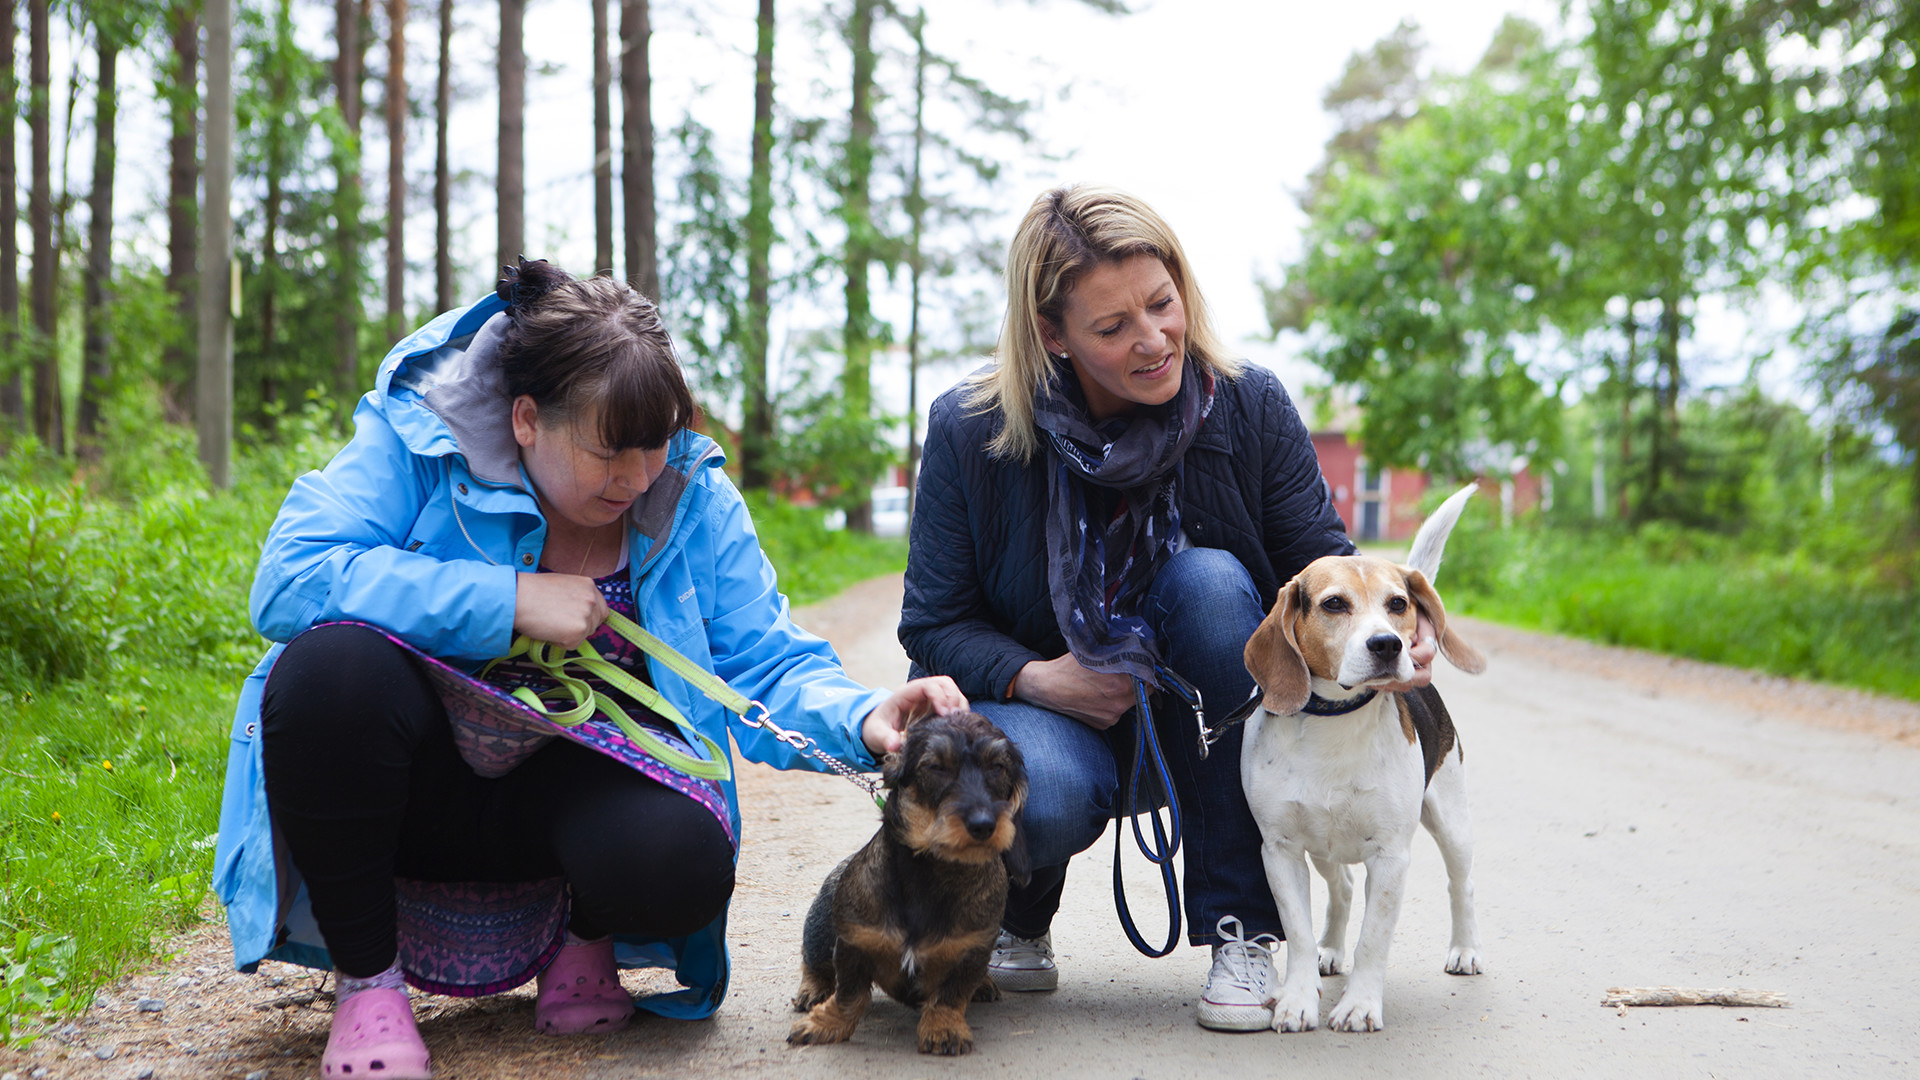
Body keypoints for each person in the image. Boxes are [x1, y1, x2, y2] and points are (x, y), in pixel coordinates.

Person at [214, 260, 965, 1079]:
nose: (638, 477)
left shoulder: (690, 493)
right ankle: (368, 983)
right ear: (527, 419)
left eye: (655, 445)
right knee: (330, 672)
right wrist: (507, 599)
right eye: (609, 451)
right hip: (418, 787)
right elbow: (290, 577)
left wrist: (863, 718)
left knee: (685, 854)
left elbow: (763, 657)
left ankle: (582, 940)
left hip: (570, 797)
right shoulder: (417, 440)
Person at [899, 184, 1434, 1032]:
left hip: (1208, 713)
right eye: (1112, 328)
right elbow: (932, 625)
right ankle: (1019, 918)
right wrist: (1041, 678)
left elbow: (1328, 571)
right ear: (1051, 334)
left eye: (1162, 303)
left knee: (1214, 579)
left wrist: (1392, 637)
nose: (1153, 341)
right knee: (1045, 791)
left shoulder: (1249, 403)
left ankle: (1240, 926)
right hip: (1053, 714)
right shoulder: (974, 430)